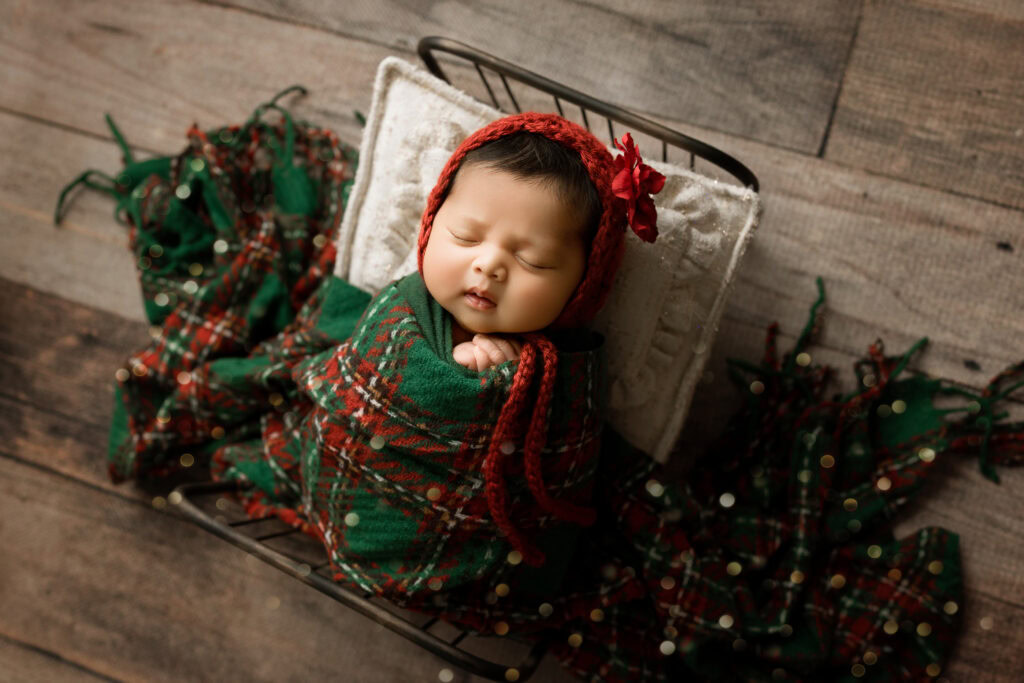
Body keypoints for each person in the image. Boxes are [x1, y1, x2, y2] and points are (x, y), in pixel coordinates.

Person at [63, 97, 1023, 682]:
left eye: (527, 260)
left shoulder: (559, 370)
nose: (486, 270)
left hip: (473, 548)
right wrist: (438, 365)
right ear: (430, 225)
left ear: (579, 289)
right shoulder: (401, 304)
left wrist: (505, 383)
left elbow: (563, 465)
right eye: (469, 236)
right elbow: (341, 369)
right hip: (340, 464)